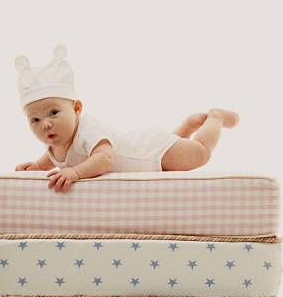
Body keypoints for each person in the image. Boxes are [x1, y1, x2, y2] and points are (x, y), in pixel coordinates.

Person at [15, 46, 239, 192]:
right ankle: (187, 125)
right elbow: (53, 157)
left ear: (76, 108)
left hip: (150, 153)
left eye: (54, 113)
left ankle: (215, 118)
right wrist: (36, 165)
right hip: (142, 150)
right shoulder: (56, 143)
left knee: (199, 154)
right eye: (34, 120)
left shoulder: (87, 130)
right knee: (179, 153)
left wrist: (75, 173)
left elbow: (105, 159)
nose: (45, 124)